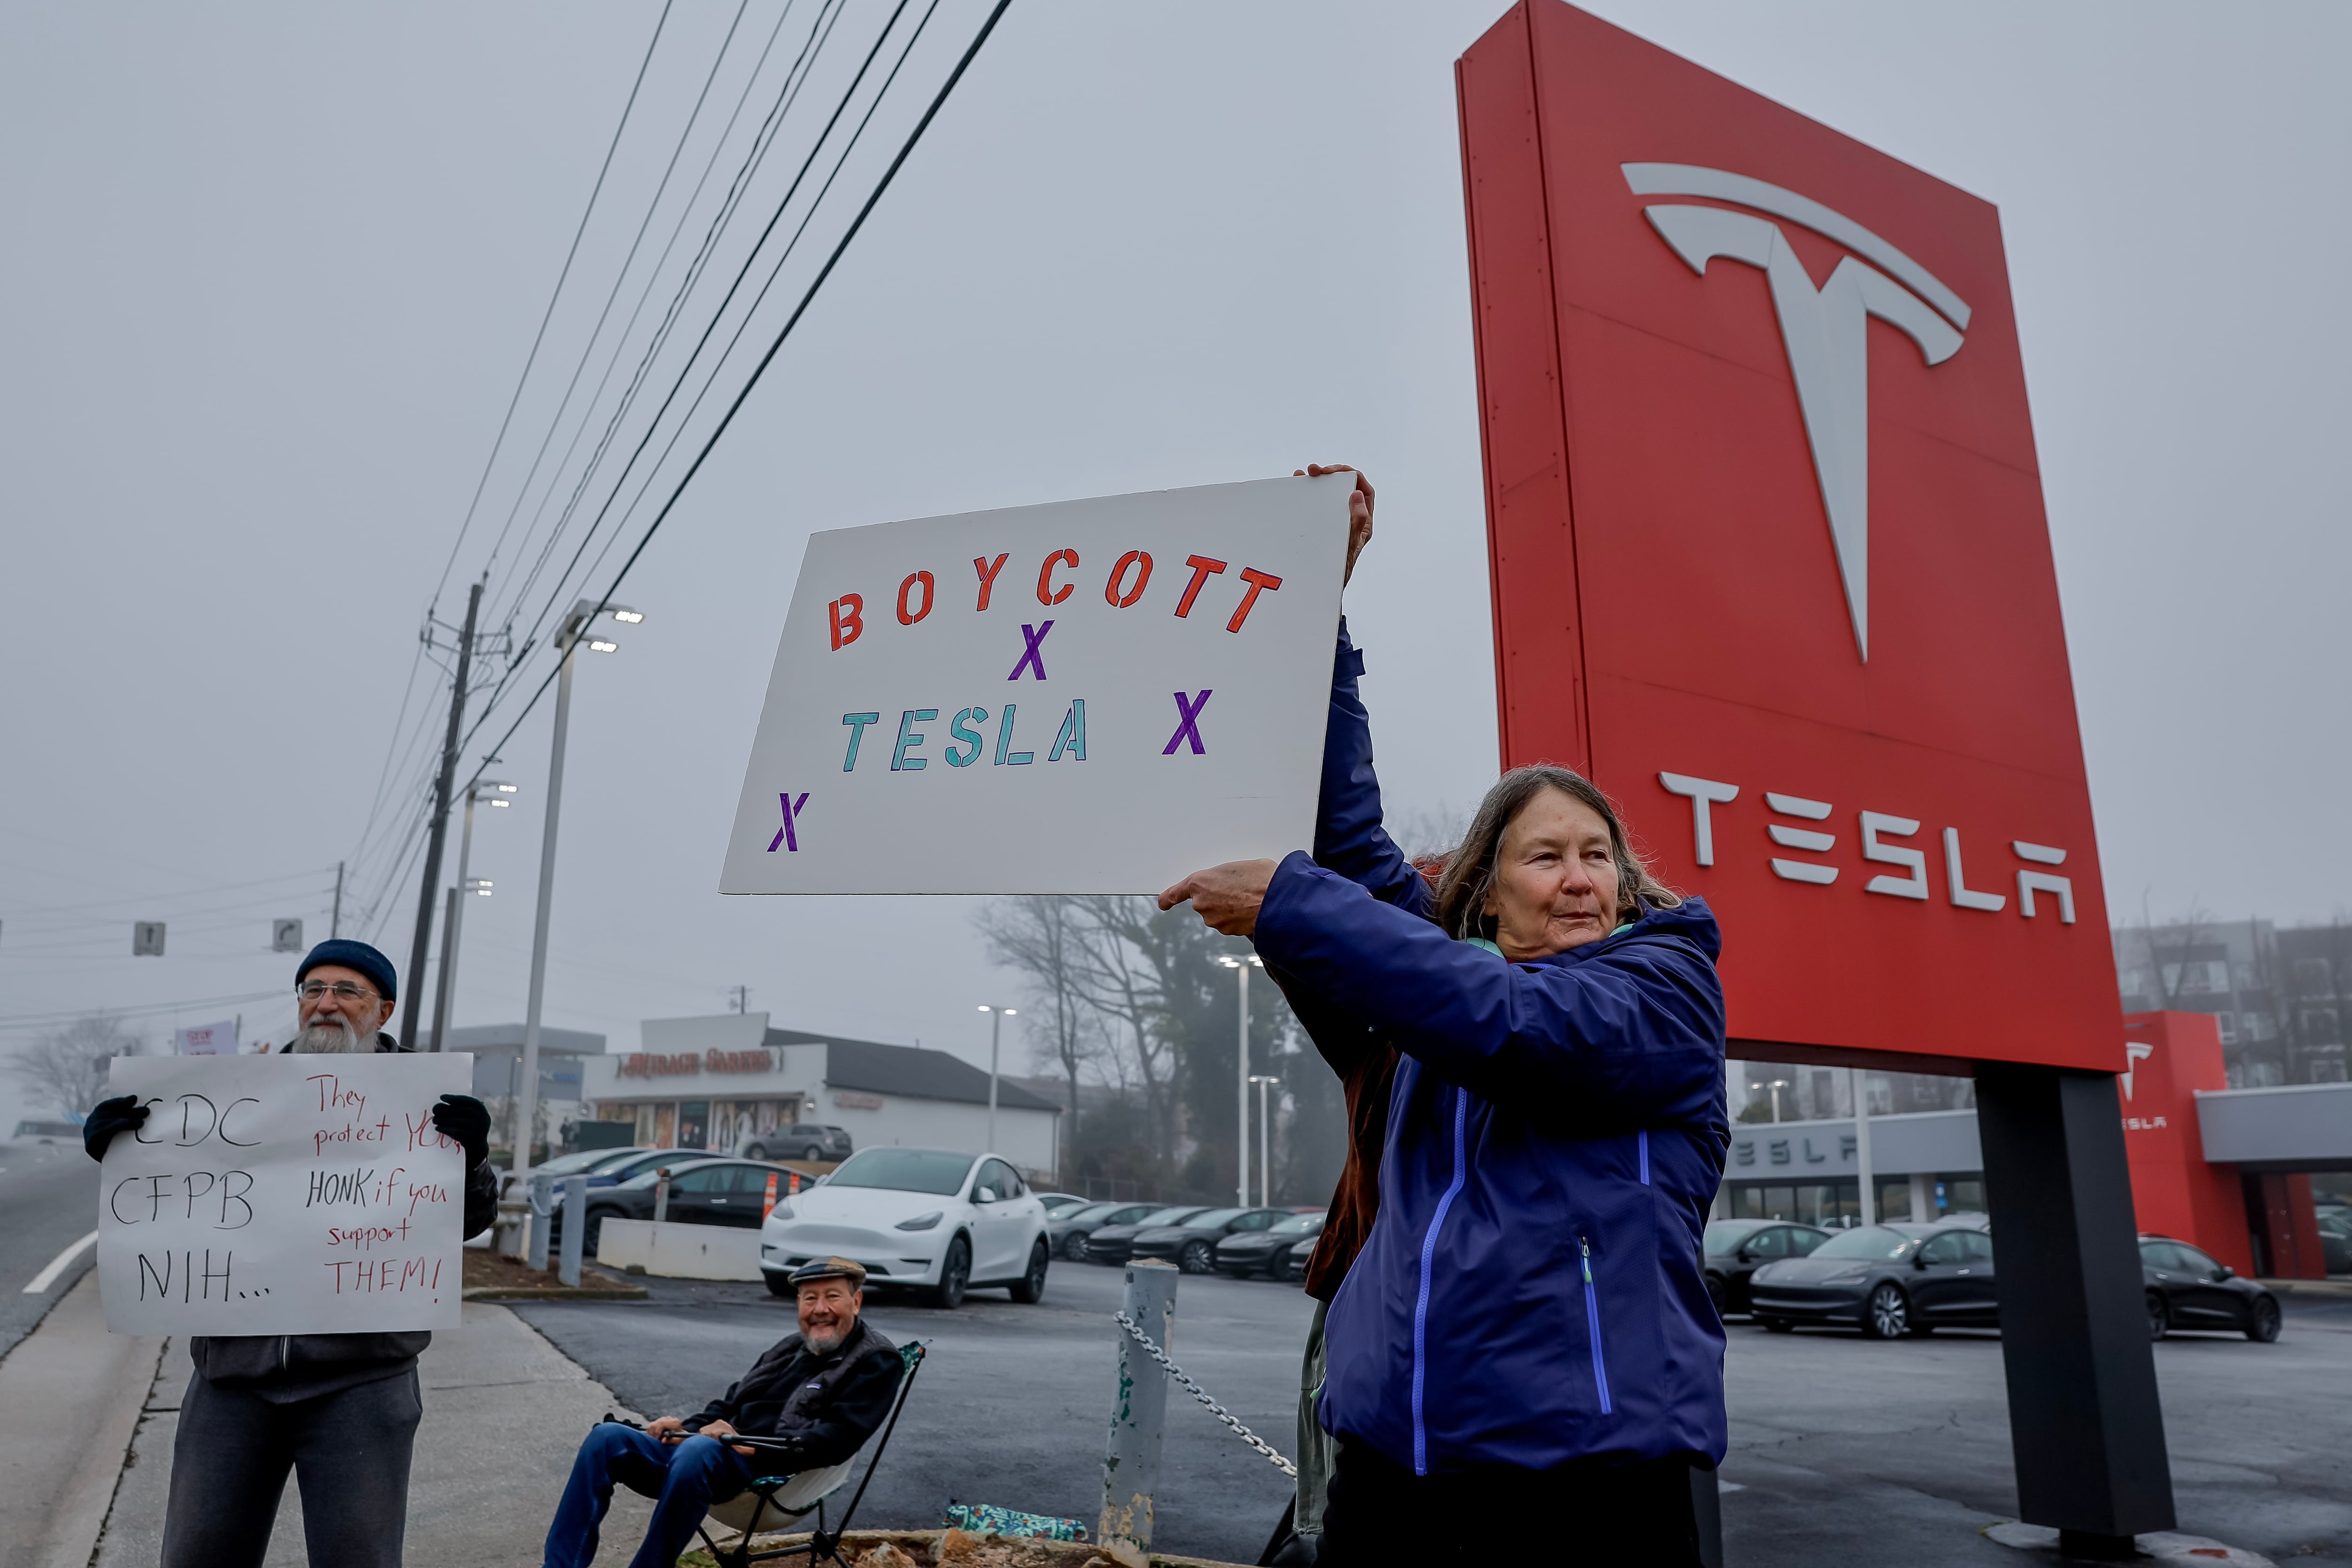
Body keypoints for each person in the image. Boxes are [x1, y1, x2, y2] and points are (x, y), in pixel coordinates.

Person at [1163, 466, 1728, 1566]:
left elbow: (1510, 1026)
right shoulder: (1426, 992)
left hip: (1587, 1483)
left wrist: (1285, 902)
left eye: (1596, 855)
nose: (1578, 877)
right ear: (1484, 891)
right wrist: (1314, 606)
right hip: (1394, 1465)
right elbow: (1347, 843)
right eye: (1545, 854)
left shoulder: (1663, 989)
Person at [79, 938, 500, 1568]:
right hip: (233, 1380)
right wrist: (120, 1155)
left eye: (346, 991)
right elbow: (174, 1200)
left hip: (361, 1380)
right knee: (197, 1555)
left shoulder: (426, 1103)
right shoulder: (233, 1097)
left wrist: (471, 1160)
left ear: (383, 1011)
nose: (326, 1004)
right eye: (313, 990)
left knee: (358, 1559)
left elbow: (468, 1221)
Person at [543, 1256, 905, 1568]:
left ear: (856, 1302)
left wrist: (754, 1445)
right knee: (606, 1438)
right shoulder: (791, 1346)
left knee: (699, 1450)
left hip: (763, 1470)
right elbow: (729, 1404)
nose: (820, 1308)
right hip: (706, 1455)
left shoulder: (876, 1360)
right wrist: (686, 1426)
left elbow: (840, 1438)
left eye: (832, 1297)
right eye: (810, 1298)